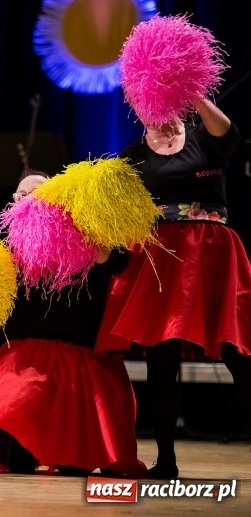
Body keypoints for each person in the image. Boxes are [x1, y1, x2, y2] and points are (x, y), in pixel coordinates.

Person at [96, 97, 251, 479]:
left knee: (239, 355)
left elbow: (230, 137)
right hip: (161, 258)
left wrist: (197, 96)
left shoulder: (203, 136)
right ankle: (166, 461)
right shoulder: (132, 156)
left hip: (212, 255)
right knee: (162, 362)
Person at [0, 171, 145, 477]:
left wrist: (82, 233)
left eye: (36, 193)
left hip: (79, 353)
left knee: (75, 467)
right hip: (25, 352)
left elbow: (119, 263)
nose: (27, 200)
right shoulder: (5, 243)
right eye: (21, 195)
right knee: (15, 437)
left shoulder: (87, 233)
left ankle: (69, 454)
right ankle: (21, 453)